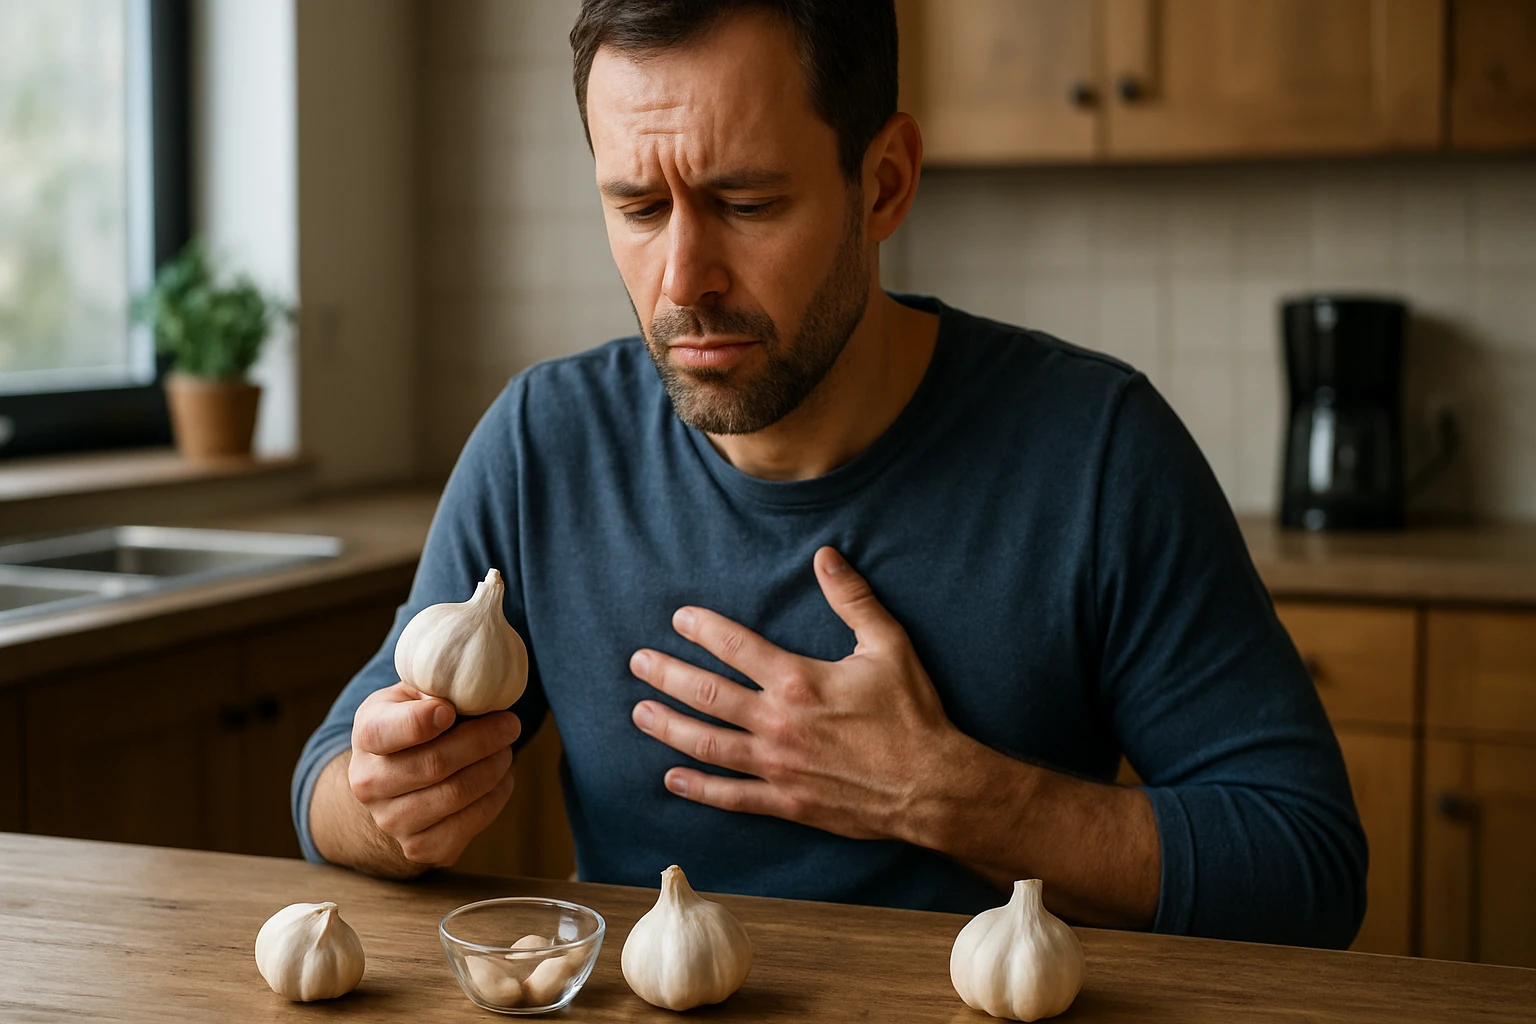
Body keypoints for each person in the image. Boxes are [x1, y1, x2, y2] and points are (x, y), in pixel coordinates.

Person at [294, 0, 1366, 948]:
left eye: (748, 204)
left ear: (885, 182)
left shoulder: (1097, 450)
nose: (684, 281)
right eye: (638, 207)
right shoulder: (544, 443)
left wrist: (952, 797)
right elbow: (329, 780)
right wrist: (385, 801)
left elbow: (1308, 866)